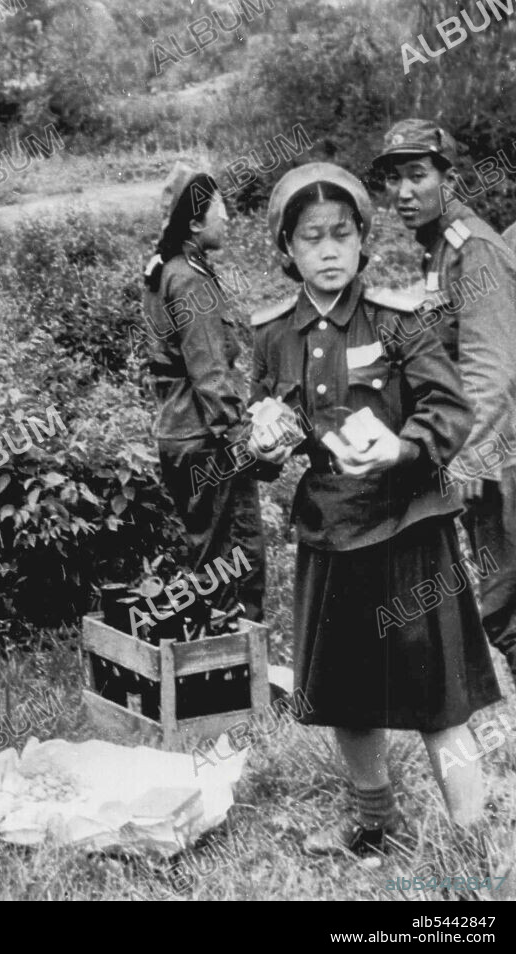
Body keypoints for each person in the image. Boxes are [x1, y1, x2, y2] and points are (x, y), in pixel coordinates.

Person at [248, 162, 500, 859]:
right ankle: (373, 819)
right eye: (310, 238)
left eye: (341, 234)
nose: (328, 251)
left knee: (437, 694)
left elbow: (450, 410)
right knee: (343, 690)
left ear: (363, 239)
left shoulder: (398, 319)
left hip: (409, 525)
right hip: (332, 528)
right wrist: (266, 445)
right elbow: (270, 428)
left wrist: (401, 447)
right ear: (287, 249)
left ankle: (474, 835)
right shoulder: (273, 334)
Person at [374, 118, 516, 689]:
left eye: (417, 176)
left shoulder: (472, 247)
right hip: (487, 449)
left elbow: (490, 366)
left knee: (507, 605)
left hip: (500, 453)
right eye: (393, 179)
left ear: (449, 179)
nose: (403, 193)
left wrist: (475, 457)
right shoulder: (437, 248)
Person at [141, 161, 265, 621]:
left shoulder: (166, 269)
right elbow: (210, 374)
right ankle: (235, 672)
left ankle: (211, 670)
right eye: (220, 207)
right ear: (194, 222)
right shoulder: (190, 278)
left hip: (180, 435)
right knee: (236, 559)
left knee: (208, 559)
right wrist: (243, 441)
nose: (228, 216)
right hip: (207, 440)